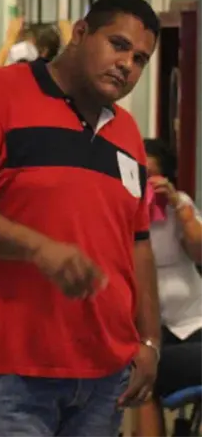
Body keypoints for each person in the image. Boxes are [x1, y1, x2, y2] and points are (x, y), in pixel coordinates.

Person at [0, 0, 162, 436]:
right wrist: (37, 248)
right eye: (118, 45)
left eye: (141, 58)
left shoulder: (127, 134)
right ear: (81, 33)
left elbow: (138, 243)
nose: (128, 64)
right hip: (11, 371)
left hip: (105, 373)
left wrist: (149, 341)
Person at [133, 138, 202, 437]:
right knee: (143, 379)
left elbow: (199, 252)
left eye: (152, 176)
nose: (145, 183)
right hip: (151, 332)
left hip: (194, 321)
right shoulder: (120, 209)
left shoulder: (180, 205)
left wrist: (176, 204)